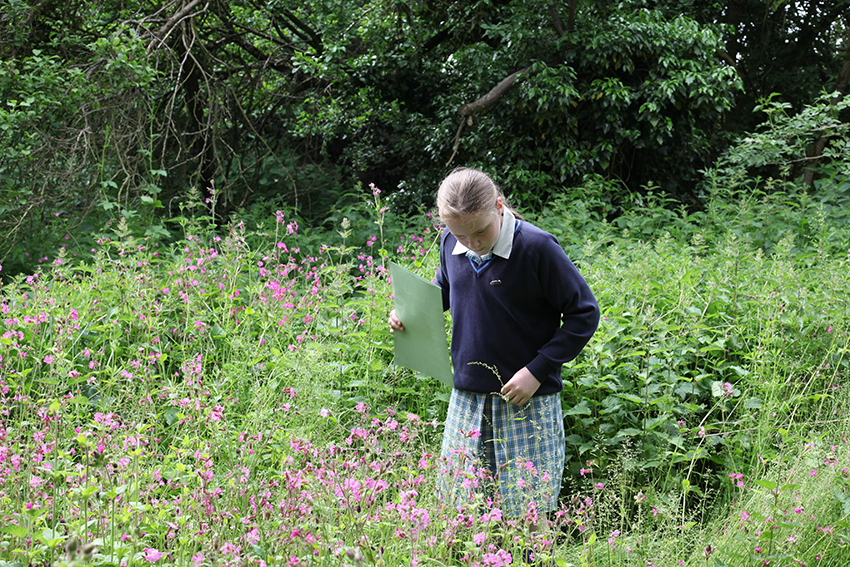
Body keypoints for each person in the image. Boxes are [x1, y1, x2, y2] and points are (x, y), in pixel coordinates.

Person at [388, 167, 599, 529]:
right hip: (467, 396)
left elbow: (584, 314)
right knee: (464, 509)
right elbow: (445, 288)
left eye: (481, 231)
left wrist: (536, 371)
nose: (473, 243)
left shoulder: (536, 248)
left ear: (499, 207)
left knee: (528, 515)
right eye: (460, 234)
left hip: (526, 399)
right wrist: (409, 312)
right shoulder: (449, 243)